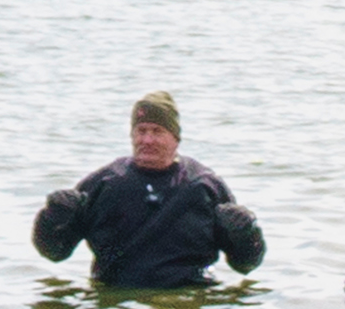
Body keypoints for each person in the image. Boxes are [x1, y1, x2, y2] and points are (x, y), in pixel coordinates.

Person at [31, 92, 267, 290]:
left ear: (175, 138)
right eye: (141, 131)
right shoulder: (105, 182)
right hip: (115, 295)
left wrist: (247, 232)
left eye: (157, 131)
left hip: (189, 291)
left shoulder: (203, 185)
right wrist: (51, 218)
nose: (147, 140)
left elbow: (245, 265)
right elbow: (54, 252)